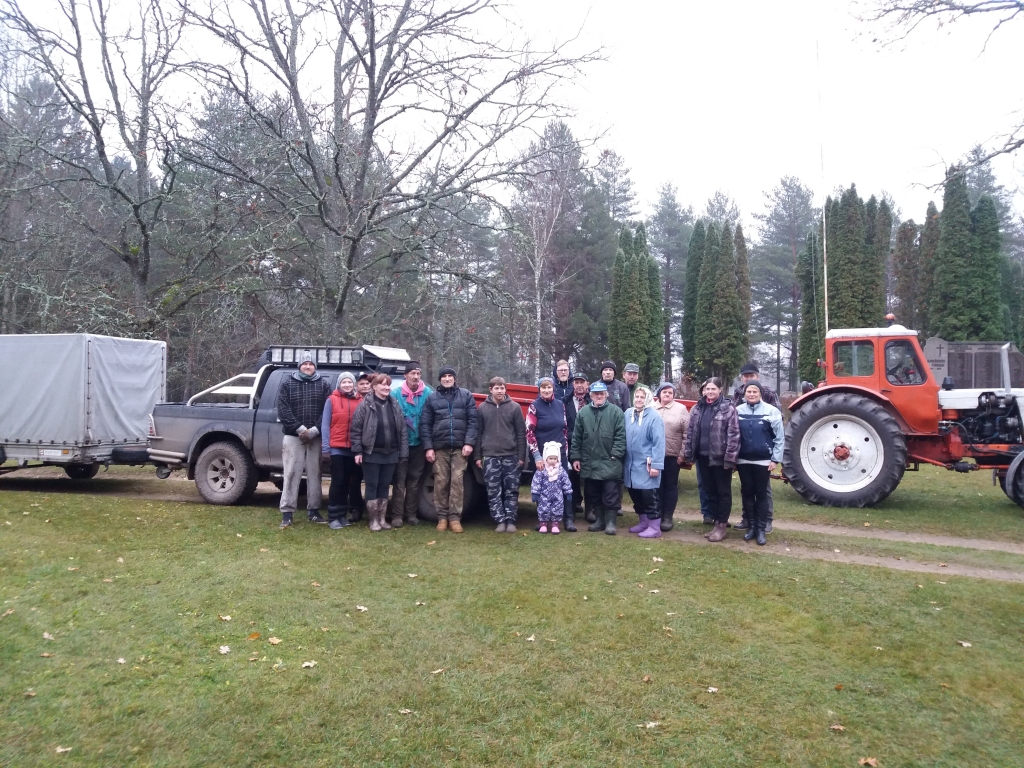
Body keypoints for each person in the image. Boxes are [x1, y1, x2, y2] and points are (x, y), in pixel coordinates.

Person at [276, 350, 332, 529]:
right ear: (299, 365)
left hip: (315, 437)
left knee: (315, 475)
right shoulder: (287, 384)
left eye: (311, 364)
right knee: (291, 473)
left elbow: (328, 411)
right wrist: (300, 429)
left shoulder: (323, 385)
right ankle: (287, 513)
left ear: (315, 366)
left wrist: (315, 430)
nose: (308, 366)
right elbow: (283, 410)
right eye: (305, 363)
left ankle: (314, 511)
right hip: (294, 437)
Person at [421, 366, 478, 533]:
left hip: (460, 448)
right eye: (444, 376)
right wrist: (429, 447)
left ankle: (455, 518)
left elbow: (473, 421)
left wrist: (469, 443)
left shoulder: (465, 395)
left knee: (457, 482)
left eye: (450, 376)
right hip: (440, 448)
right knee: (440, 482)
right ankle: (442, 518)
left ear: (454, 378)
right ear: (440, 380)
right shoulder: (432, 398)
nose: (447, 379)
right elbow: (425, 424)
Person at [683, 377, 739, 543]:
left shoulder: (728, 409)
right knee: (709, 491)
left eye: (713, 389)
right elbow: (691, 432)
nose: (710, 392)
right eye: (707, 389)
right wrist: (689, 454)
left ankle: (722, 525)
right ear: (703, 390)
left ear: (720, 390)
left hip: (720, 459)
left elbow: (734, 435)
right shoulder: (697, 408)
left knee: (723, 492)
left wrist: (730, 459)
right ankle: (716, 521)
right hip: (702, 457)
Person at [349, 373, 408, 532]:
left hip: (390, 454)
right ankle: (373, 520)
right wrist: (358, 451)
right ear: (374, 387)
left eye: (388, 384)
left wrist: (402, 452)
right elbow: (355, 430)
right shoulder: (365, 405)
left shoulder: (394, 404)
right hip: (371, 453)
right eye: (383, 384)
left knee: (384, 486)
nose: (387, 387)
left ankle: (382, 519)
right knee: (372, 485)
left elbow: (402, 429)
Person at [570, 381, 626, 535]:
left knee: (611, 493)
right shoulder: (583, 412)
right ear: (591, 395)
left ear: (606, 395)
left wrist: (616, 454)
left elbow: (621, 436)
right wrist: (575, 458)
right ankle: (599, 521)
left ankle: (611, 523)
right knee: (594, 493)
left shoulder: (616, 412)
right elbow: (577, 438)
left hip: (610, 460)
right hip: (589, 461)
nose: (599, 396)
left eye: (602, 394)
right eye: (596, 394)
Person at [730, 362, 780, 533]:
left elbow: (776, 426)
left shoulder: (770, 394)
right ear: (742, 378)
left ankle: (766, 520)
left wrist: (774, 454)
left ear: (757, 377)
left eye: (751, 376)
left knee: (763, 489)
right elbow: (734, 425)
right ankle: (748, 519)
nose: (748, 379)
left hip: (763, 451)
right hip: (744, 453)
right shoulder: (737, 394)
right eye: (745, 376)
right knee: (747, 489)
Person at [474, 376, 527, 533]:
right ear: (491, 390)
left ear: (505, 389)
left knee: (512, 490)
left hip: (511, 456)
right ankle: (500, 521)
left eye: (502, 388)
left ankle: (511, 520)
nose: (499, 391)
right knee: (493, 491)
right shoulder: (482, 408)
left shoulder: (515, 407)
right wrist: (477, 456)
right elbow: (478, 434)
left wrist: (521, 456)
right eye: (496, 388)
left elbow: (520, 434)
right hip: (490, 457)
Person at [736, 380, 785, 546]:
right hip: (743, 460)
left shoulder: (771, 411)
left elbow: (779, 437)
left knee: (762, 494)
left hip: (764, 460)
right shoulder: (737, 411)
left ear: (760, 394)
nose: (751, 394)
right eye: (749, 392)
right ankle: (751, 527)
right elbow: (733, 436)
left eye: (754, 392)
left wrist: (775, 459)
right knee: (747, 493)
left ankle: (761, 530)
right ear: (744, 394)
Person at [387, 361, 432, 528]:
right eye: (412, 373)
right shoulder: (395, 394)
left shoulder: (428, 393)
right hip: (401, 445)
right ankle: (397, 515)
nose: (415, 376)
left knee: (414, 481)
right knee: (399, 481)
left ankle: (411, 514)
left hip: (419, 444)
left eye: (418, 373)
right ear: (405, 375)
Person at [527, 376, 573, 531]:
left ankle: (567, 519)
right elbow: (529, 432)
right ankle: (543, 521)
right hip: (542, 455)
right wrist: (537, 456)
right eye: (543, 387)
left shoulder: (560, 405)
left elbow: (565, 428)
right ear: (539, 389)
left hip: (560, 454)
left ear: (553, 388)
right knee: (543, 487)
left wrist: (565, 450)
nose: (546, 390)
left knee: (563, 486)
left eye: (549, 387)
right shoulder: (534, 406)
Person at [321, 371, 363, 529]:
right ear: (339, 384)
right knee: (338, 481)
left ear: (354, 384)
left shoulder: (360, 401)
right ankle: (333, 517)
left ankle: (342, 515)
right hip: (336, 448)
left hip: (352, 449)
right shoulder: (331, 400)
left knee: (347, 482)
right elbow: (325, 425)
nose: (347, 385)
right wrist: (326, 448)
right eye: (344, 382)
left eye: (350, 382)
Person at [624, 385, 666, 539]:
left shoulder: (654, 417)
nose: (639, 400)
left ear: (648, 399)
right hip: (631, 464)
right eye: (636, 397)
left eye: (642, 397)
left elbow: (659, 443)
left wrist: (656, 465)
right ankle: (643, 522)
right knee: (635, 494)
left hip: (647, 464)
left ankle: (655, 527)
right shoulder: (628, 414)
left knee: (649, 496)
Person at [653, 382, 689, 532]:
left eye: (670, 392)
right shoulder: (651, 408)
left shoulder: (680, 409)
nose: (667, 395)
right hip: (655, 455)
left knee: (670, 485)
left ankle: (668, 516)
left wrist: (682, 454)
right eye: (664, 392)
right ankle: (657, 513)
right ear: (659, 394)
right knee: (656, 486)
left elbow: (687, 434)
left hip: (672, 455)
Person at [563, 372, 591, 521]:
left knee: (590, 479)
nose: (579, 385)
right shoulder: (565, 401)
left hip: (590, 447)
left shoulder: (592, 400)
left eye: (582, 382)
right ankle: (572, 508)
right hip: (571, 445)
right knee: (571, 478)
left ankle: (590, 510)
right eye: (577, 382)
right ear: (573, 384)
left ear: (587, 384)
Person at [532, 441, 573, 534]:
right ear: (546, 458)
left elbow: (565, 481)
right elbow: (536, 481)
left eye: (555, 458)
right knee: (543, 508)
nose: (552, 460)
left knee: (557, 508)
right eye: (550, 458)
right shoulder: (542, 470)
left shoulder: (561, 470)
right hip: (544, 495)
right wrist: (535, 492)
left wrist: (568, 492)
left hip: (557, 495)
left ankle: (555, 524)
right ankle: (543, 524)